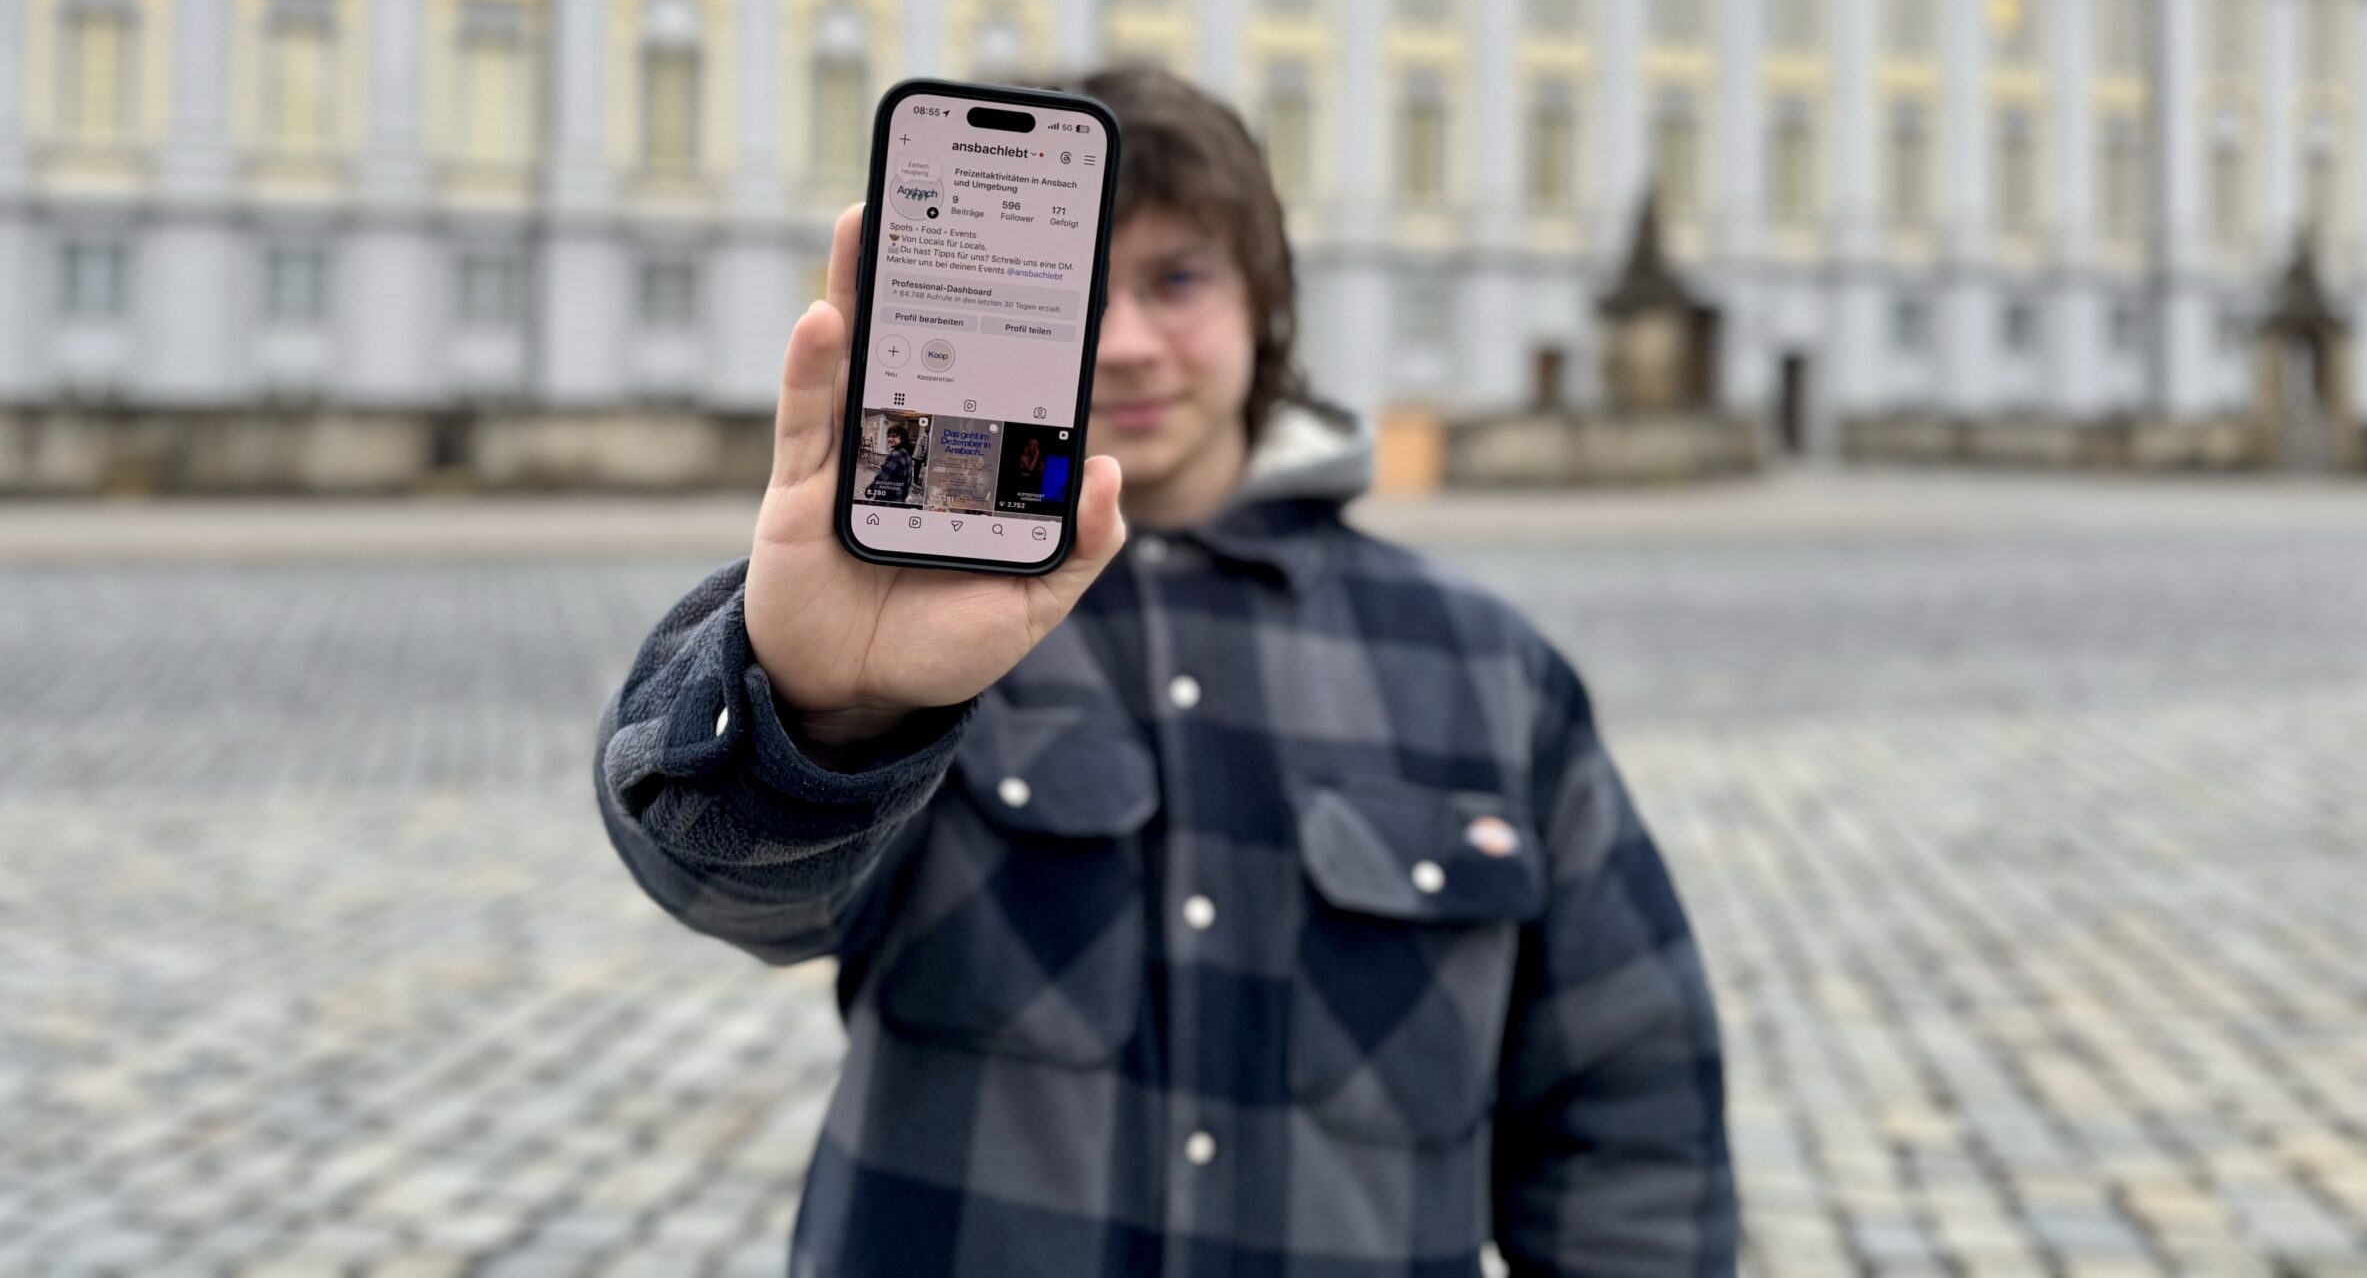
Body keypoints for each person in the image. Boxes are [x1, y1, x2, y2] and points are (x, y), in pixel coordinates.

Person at [594, 66, 1737, 1276]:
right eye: (1080, 288)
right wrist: (826, 711)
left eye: (1177, 279)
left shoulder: (1486, 668)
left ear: (1265, 305)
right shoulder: (932, 630)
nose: (1127, 343)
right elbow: (729, 891)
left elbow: (1631, 1119)